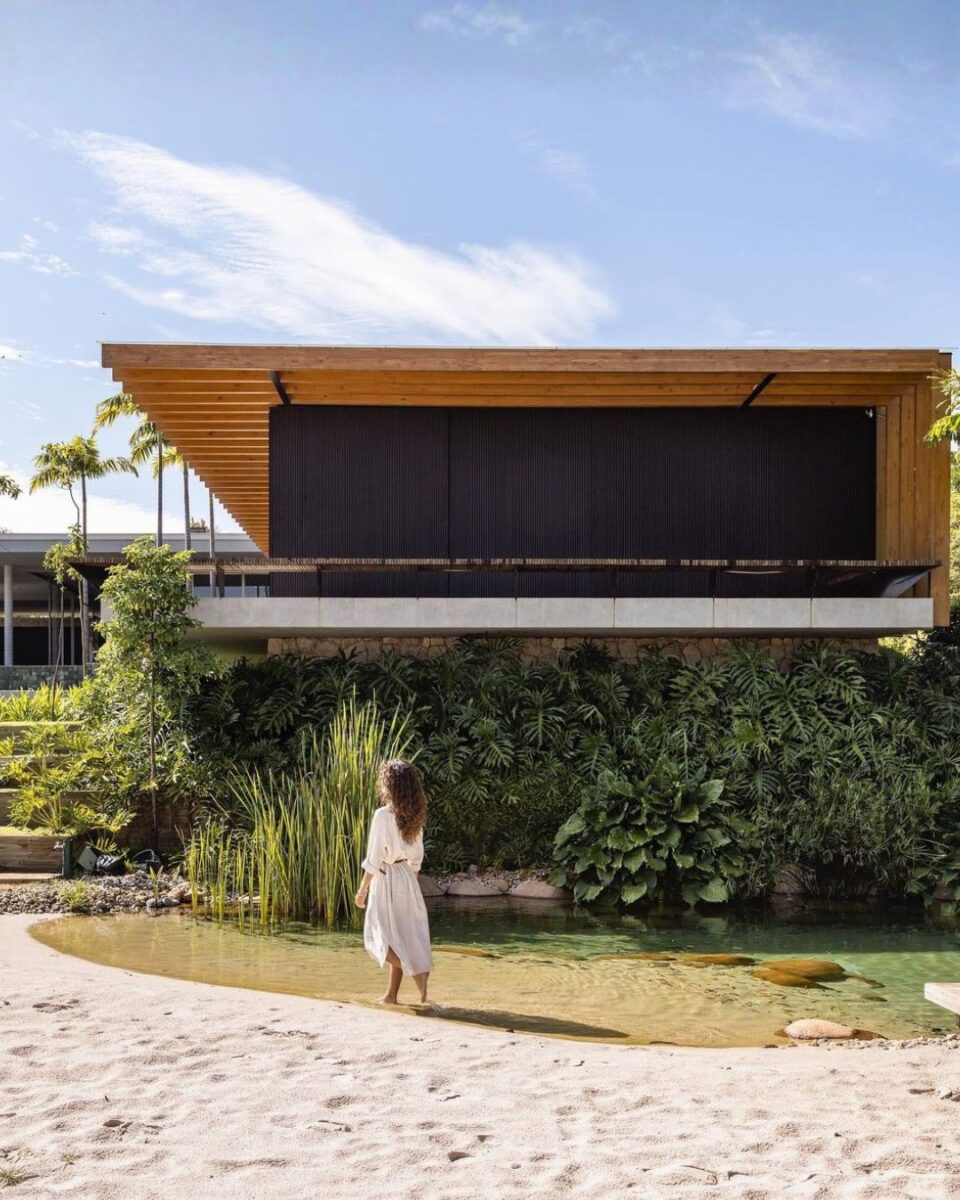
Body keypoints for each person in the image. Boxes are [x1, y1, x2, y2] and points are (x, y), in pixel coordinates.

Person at [355, 759, 433, 1005]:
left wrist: (362, 890)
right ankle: (391, 995)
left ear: (390, 785)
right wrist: (411, 888)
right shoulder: (415, 815)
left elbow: (374, 858)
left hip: (386, 876)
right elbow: (417, 858)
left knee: (376, 937)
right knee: (399, 935)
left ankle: (415, 971)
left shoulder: (383, 815)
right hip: (406, 877)